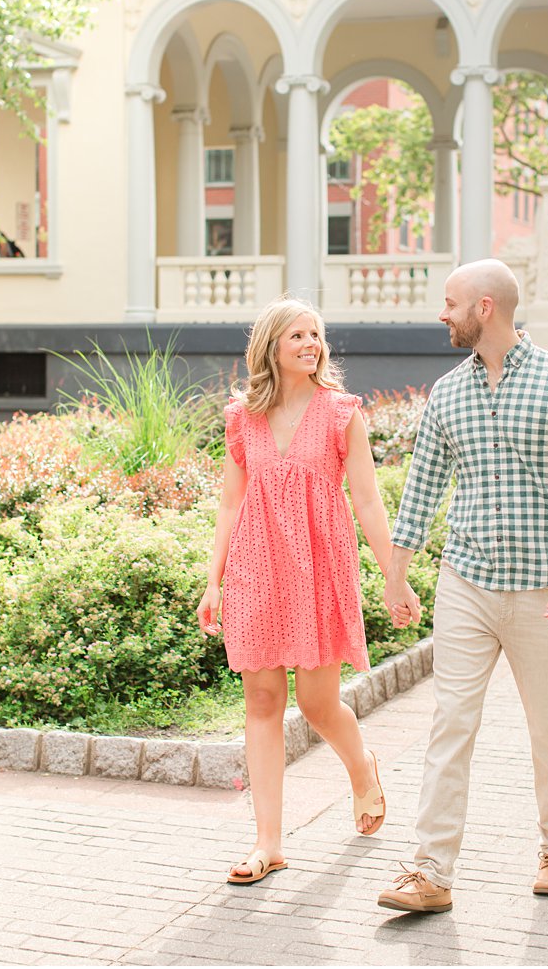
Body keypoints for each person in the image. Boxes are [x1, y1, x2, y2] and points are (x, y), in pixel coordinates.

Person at [375, 258, 548, 914]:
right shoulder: (449, 393)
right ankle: (431, 870)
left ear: (484, 306)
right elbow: (422, 487)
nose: (440, 314)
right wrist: (396, 575)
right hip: (467, 583)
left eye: (449, 302)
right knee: (451, 721)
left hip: (543, 589)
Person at [198, 295, 395, 885]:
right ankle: (268, 844)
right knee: (260, 702)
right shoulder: (242, 417)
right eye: (298, 336)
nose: (311, 344)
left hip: (317, 571)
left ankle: (362, 768)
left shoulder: (341, 412)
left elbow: (366, 498)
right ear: (271, 348)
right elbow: (232, 501)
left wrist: (394, 575)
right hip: (256, 570)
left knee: (316, 702)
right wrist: (214, 580)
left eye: (316, 335)